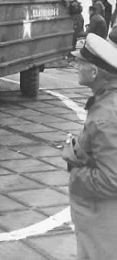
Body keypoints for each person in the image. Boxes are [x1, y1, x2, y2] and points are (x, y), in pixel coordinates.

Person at [64, 33, 117, 259]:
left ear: (94, 72)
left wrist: (75, 175)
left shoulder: (105, 116)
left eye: (80, 61)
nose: (75, 64)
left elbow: (111, 179)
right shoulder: (107, 102)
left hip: (102, 222)